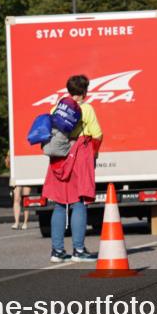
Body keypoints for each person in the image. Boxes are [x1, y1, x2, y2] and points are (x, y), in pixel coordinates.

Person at [42, 75, 103, 262]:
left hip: (58, 160)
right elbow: (97, 134)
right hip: (78, 158)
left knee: (60, 204)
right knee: (79, 203)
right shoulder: (87, 109)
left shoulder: (56, 108)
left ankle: (57, 251)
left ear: (69, 90)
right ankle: (78, 250)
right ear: (85, 91)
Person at [4, 153, 30, 230]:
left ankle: (25, 222)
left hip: (28, 175)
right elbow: (8, 164)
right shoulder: (12, 148)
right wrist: (8, 159)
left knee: (26, 199)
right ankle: (16, 222)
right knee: (16, 198)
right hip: (17, 175)